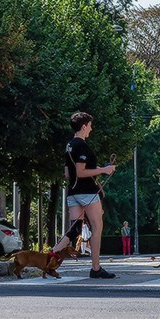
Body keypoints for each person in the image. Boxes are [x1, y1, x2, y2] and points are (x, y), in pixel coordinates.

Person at [50, 111, 116, 279]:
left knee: (75, 230)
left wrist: (97, 170)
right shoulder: (82, 146)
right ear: (84, 126)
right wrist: (104, 170)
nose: (91, 129)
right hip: (87, 192)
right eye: (90, 126)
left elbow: (68, 173)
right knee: (97, 227)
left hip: (72, 192)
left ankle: (50, 257)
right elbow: (80, 171)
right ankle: (95, 268)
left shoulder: (69, 145)